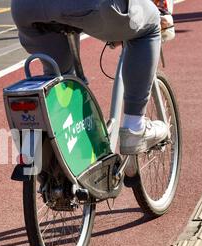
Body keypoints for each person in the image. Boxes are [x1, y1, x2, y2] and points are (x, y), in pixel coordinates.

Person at [11, 0, 171, 155]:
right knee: (151, 23)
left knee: (61, 80)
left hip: (25, 7)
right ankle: (135, 128)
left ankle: (58, 155)